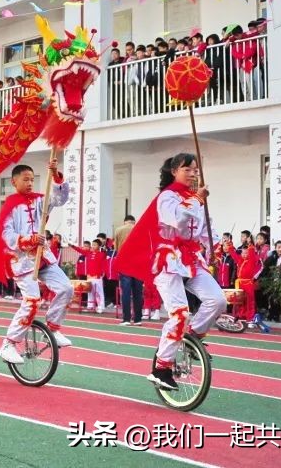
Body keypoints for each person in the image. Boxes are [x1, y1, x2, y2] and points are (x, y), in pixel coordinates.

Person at [115, 153, 226, 391]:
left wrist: (216, 246)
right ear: (175, 170)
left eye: (196, 170)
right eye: (188, 169)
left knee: (217, 301)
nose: (194, 173)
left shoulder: (195, 199)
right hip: (168, 260)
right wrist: (197, 199)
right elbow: (177, 218)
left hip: (191, 259)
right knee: (179, 314)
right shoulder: (167, 197)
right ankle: (161, 368)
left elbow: (206, 227)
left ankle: (193, 339)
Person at [0, 159, 73, 366]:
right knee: (32, 301)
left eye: (32, 179)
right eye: (26, 179)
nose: (30, 183)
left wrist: (57, 176)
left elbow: (60, 198)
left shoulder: (41, 200)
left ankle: (54, 328)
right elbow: (6, 235)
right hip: (21, 261)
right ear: (14, 181)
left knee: (66, 288)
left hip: (43, 257)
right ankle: (9, 343)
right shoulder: (10, 206)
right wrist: (28, 240)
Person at [83, 241, 106, 314]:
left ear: (99, 246)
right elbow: (79, 250)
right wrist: (72, 246)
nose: (93, 246)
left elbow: (103, 265)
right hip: (89, 276)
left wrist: (101, 274)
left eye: (95, 245)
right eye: (92, 245)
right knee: (90, 291)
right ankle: (90, 306)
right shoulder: (88, 253)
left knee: (99, 292)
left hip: (97, 276)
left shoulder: (102, 254)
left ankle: (100, 306)